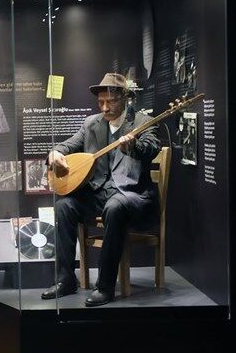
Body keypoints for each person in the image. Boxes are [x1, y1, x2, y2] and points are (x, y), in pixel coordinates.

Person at [43, 73, 162, 306]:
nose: (105, 108)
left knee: (115, 207)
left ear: (125, 98)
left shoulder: (142, 122)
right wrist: (55, 153)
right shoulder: (91, 124)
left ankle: (105, 286)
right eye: (101, 103)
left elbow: (151, 148)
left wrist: (133, 147)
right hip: (100, 194)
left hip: (133, 195)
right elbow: (68, 145)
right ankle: (66, 279)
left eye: (111, 102)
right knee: (64, 206)